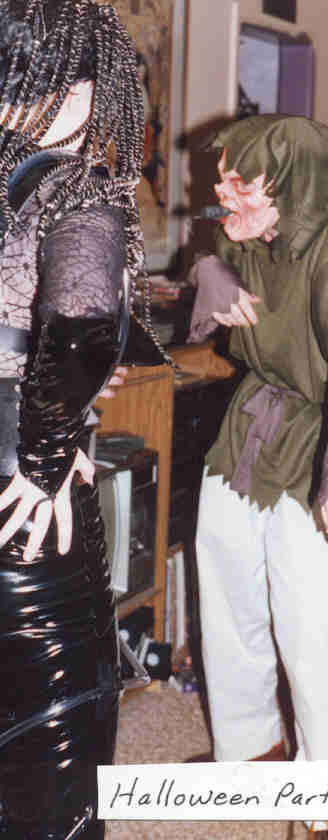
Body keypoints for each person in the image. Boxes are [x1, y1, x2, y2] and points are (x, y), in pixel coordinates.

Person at [187, 114, 328, 839]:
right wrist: (208, 270)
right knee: (224, 572)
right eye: (222, 183)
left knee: (309, 616)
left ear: (291, 186)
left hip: (325, 419)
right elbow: (211, 229)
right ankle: (250, 752)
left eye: (241, 186)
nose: (223, 197)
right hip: (254, 415)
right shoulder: (249, 210)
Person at [0, 1, 147, 837]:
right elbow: (81, 324)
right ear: (84, 83)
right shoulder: (72, 185)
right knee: (52, 770)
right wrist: (48, 452)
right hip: (21, 507)